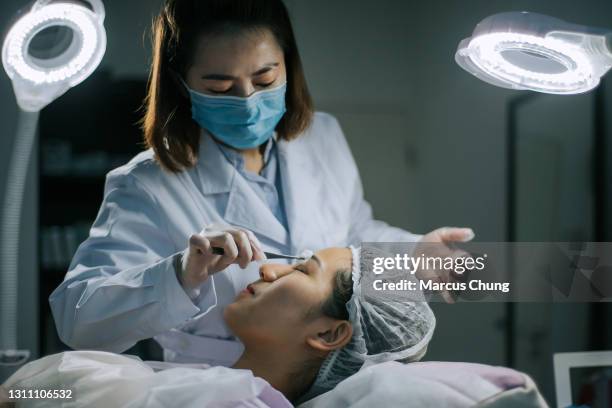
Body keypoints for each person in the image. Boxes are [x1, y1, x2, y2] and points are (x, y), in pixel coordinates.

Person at [50, 0, 470, 367]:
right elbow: (78, 320)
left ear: (289, 65)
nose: (248, 100)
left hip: (319, 378)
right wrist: (182, 273)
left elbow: (352, 236)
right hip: (213, 383)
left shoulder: (321, 137)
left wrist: (414, 255)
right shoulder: (146, 184)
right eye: (220, 86)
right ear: (182, 84)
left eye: (265, 79)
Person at [8, 248, 435, 406]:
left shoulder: (223, 399)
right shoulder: (205, 388)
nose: (269, 268)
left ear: (328, 334)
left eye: (304, 271)